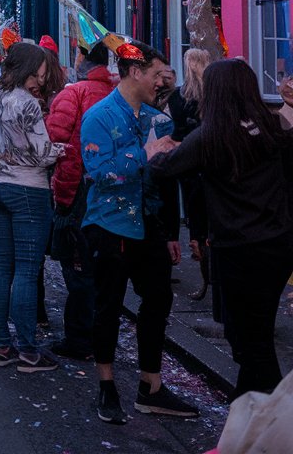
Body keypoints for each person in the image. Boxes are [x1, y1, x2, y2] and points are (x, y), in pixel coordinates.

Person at [150, 59, 293, 397]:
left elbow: (163, 170)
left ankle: (268, 420)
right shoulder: (274, 128)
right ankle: (249, 411)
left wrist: (156, 151)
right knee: (254, 332)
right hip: (278, 243)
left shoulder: (211, 136)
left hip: (239, 248)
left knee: (249, 339)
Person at [80, 40, 197, 425]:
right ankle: (107, 385)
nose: (161, 82)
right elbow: (99, 174)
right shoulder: (98, 116)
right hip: (108, 224)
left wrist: (167, 233)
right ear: (134, 72)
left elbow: (159, 184)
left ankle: (151, 385)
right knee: (108, 306)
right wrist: (141, 154)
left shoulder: (157, 119)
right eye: (155, 74)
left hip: (147, 225)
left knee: (158, 300)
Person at [0, 42, 62, 372]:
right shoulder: (26, 104)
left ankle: (1, 346)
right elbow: (42, 152)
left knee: (1, 266)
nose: (42, 78)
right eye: (39, 72)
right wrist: (61, 150)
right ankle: (27, 349)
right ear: (26, 68)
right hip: (27, 190)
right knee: (26, 270)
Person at [44, 41, 114, 362]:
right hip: (112, 190)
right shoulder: (117, 95)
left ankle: (79, 337)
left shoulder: (74, 93)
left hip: (77, 189)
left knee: (77, 265)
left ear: (82, 59)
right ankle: (101, 333)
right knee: (103, 262)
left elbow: (53, 137)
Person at [167, 48, 212, 300]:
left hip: (189, 164)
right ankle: (215, 278)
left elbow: (175, 131)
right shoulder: (214, 95)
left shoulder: (178, 96)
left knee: (196, 223)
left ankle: (205, 280)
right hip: (213, 164)